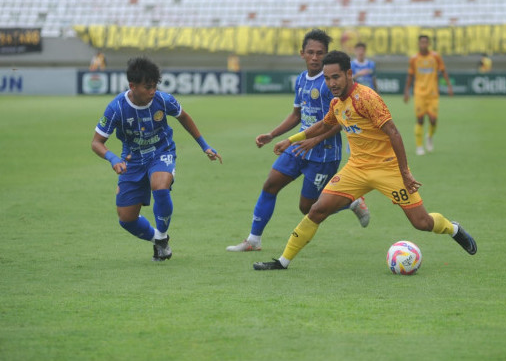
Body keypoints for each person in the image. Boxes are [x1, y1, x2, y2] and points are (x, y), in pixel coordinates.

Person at [252, 50, 476, 271]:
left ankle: (452, 229)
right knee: (317, 210)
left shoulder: (367, 98)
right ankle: (283, 261)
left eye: (336, 77)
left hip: (388, 169)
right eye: (327, 78)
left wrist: (405, 172)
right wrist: (290, 140)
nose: (331, 83)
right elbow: (324, 125)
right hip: (356, 169)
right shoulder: (336, 104)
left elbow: (394, 133)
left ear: (349, 74)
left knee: (422, 223)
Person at [226, 29, 370, 253]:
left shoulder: (330, 83)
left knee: (307, 207)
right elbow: (297, 115)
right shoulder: (302, 79)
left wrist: (315, 141)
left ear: (326, 54)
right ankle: (253, 240)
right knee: (270, 184)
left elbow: (341, 121)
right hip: (299, 147)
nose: (315, 57)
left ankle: (349, 202)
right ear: (302, 53)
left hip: (324, 153)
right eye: (310, 52)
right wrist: (272, 135)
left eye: (320, 53)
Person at [91, 57, 222, 261]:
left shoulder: (163, 100)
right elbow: (96, 142)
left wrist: (205, 146)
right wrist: (112, 158)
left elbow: (184, 117)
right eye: (148, 87)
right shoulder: (116, 108)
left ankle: (161, 236)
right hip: (131, 161)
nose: (153, 91)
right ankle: (160, 240)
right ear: (132, 86)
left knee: (160, 186)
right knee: (126, 220)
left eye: (155, 86)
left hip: (162, 151)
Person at [403, 35, 453, 156]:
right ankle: (419, 146)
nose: (423, 45)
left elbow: (443, 71)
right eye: (421, 42)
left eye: (425, 42)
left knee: (433, 120)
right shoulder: (414, 59)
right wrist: (406, 91)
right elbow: (410, 75)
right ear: (419, 44)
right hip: (419, 93)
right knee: (420, 119)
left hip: (433, 94)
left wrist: (449, 86)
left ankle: (429, 137)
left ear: (428, 44)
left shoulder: (435, 56)